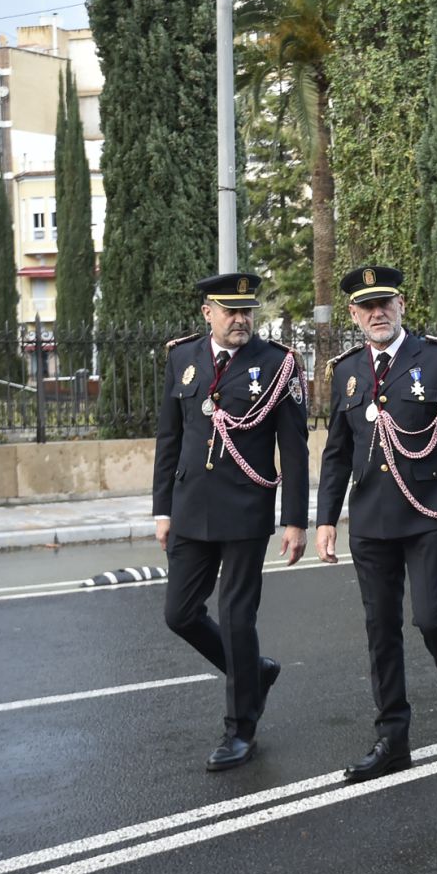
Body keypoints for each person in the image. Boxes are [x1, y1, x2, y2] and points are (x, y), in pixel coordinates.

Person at [315, 265, 437, 781]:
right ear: (353, 314)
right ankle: (393, 738)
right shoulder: (346, 370)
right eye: (366, 306)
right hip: (371, 520)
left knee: (432, 618)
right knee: (380, 630)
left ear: (401, 306)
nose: (377, 313)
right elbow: (336, 452)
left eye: (385, 303)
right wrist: (326, 519)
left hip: (428, 514)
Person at [153, 273, 310, 771]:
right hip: (189, 507)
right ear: (208, 313)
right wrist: (162, 509)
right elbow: (169, 437)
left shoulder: (279, 365)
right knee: (179, 614)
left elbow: (295, 448)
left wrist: (295, 521)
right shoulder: (182, 357)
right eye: (230, 311)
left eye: (247, 311)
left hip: (246, 507)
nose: (241, 319)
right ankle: (254, 672)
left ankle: (240, 729)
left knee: (238, 617)